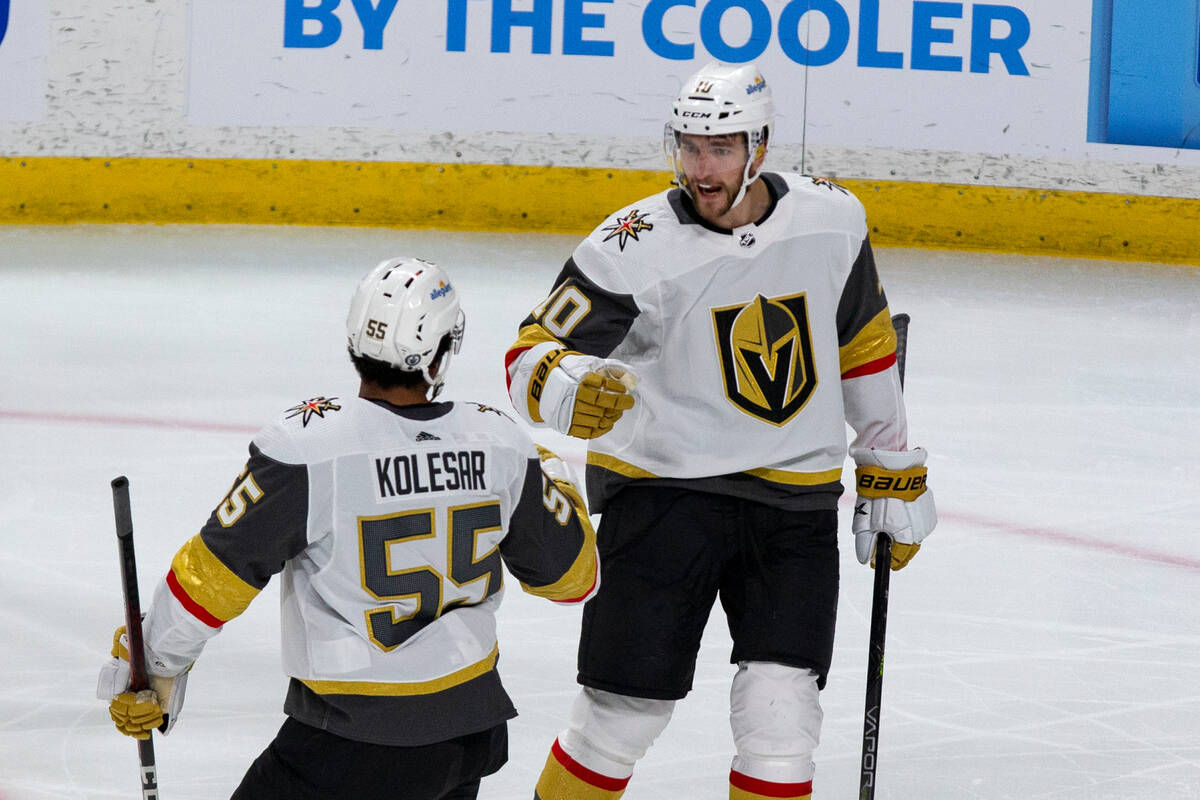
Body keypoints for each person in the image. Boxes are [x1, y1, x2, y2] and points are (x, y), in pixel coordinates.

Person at [503, 61, 937, 800]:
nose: (702, 169)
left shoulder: (831, 219)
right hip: (663, 496)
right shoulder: (630, 245)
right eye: (690, 147)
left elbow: (862, 343)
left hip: (792, 504)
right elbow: (530, 353)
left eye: (722, 148)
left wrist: (890, 465)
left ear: (759, 147)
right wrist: (565, 383)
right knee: (619, 716)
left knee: (782, 719)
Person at [97, 256, 600, 800]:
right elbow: (573, 579)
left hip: (349, 744)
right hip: (468, 733)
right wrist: (551, 471)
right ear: (439, 353)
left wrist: (153, 664)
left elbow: (214, 577)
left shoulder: (308, 448)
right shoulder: (500, 441)